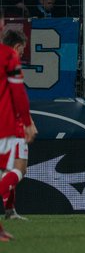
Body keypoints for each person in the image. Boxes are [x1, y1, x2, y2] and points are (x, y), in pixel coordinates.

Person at [0, 30, 36, 240]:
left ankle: (9, 210)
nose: (22, 53)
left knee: (5, 170)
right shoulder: (9, 60)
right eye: (22, 49)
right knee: (20, 168)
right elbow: (17, 95)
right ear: (16, 47)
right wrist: (28, 122)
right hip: (10, 124)